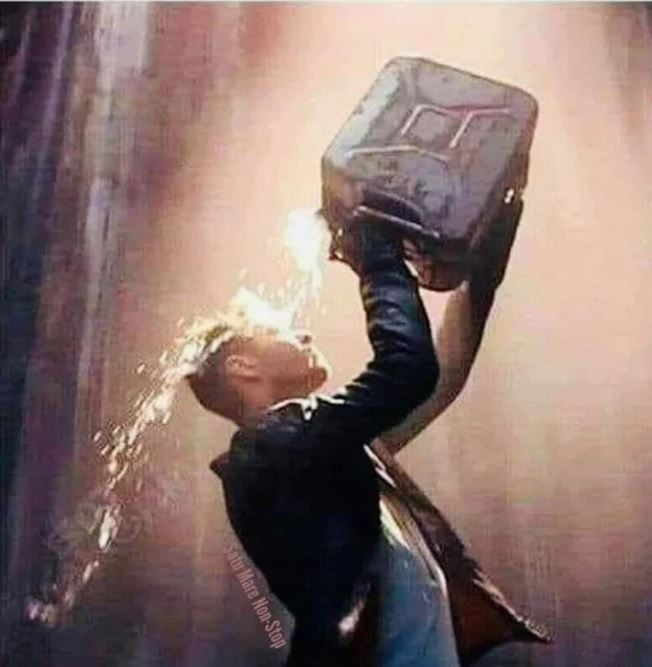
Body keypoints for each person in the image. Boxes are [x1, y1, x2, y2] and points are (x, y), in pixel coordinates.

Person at [186, 198, 549, 666]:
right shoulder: (272, 447)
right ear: (243, 367)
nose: (305, 335)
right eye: (282, 331)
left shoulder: (318, 452)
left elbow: (437, 378)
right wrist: (375, 251)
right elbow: (408, 371)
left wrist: (484, 261)